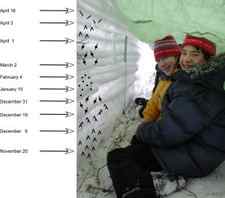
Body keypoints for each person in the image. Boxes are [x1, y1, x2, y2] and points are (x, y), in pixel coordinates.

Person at [107, 34, 225, 198]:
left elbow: (171, 132)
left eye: (195, 54)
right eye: (184, 53)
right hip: (196, 146)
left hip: (197, 155)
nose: (187, 59)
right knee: (138, 147)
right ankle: (160, 179)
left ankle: (141, 192)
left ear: (207, 60)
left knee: (118, 157)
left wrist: (144, 130)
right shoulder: (197, 80)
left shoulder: (199, 88)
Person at [135, 35, 181, 121]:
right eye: (158, 60)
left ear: (176, 56)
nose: (162, 64)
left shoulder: (182, 80)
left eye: (165, 58)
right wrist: (146, 121)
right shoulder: (165, 78)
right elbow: (154, 101)